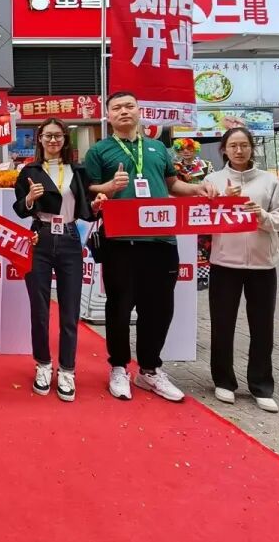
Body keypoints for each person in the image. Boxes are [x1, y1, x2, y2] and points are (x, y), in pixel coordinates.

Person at [85, 91, 216, 402]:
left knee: (158, 308)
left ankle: (149, 369)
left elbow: (172, 185)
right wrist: (108, 188)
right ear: (108, 116)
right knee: (119, 307)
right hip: (120, 241)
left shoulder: (158, 148)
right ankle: (119, 367)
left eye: (129, 106)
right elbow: (90, 189)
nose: (124, 111)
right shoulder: (99, 151)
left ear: (139, 111)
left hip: (161, 240)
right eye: (117, 108)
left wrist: (196, 188)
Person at [14, 118, 104, 402]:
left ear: (65, 139)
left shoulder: (78, 171)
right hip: (39, 238)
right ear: (39, 139)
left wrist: (96, 206)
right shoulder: (29, 171)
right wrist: (30, 198)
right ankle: (42, 364)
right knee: (39, 309)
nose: (53, 140)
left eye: (58, 136)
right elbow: (19, 209)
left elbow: (87, 209)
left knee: (69, 309)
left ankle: (67, 369)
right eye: (48, 136)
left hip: (69, 237)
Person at [205, 127, 279, 413]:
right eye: (233, 146)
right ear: (224, 150)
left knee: (262, 326)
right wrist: (221, 201)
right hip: (224, 264)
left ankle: (261, 385)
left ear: (252, 148)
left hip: (263, 264)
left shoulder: (269, 181)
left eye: (244, 145)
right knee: (222, 324)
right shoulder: (212, 180)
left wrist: (261, 215)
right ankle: (223, 381)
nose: (239, 151)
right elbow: (203, 218)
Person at [174, 138, 214, 291]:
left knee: (203, 242)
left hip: (200, 209)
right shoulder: (174, 167)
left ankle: (203, 276)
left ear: (195, 149)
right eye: (182, 149)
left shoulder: (206, 165)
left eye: (189, 149)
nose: (186, 152)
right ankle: (182, 273)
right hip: (182, 210)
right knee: (184, 241)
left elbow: (212, 183)